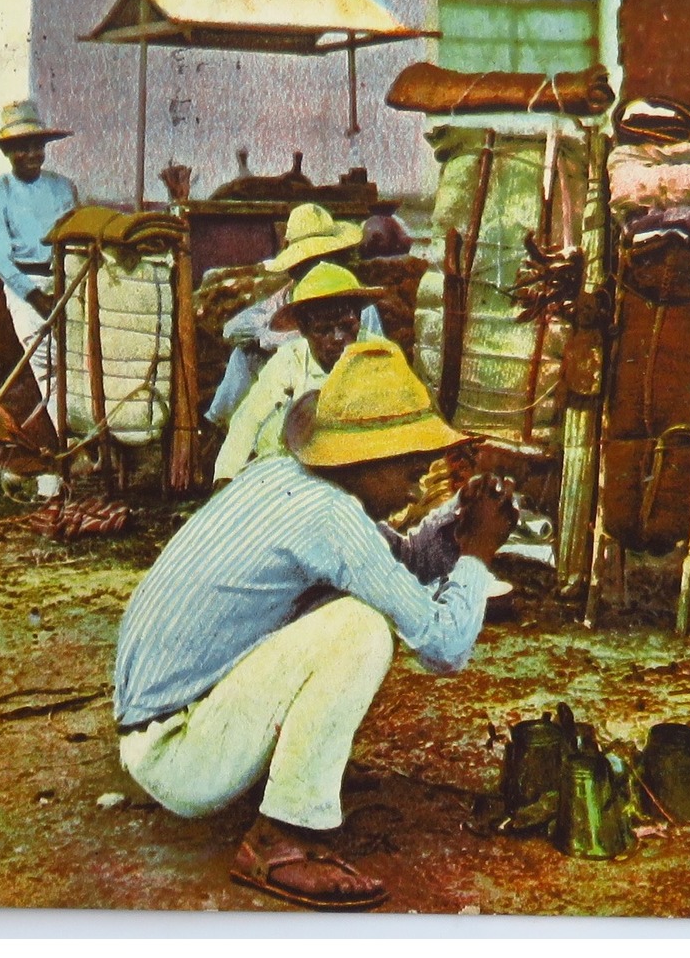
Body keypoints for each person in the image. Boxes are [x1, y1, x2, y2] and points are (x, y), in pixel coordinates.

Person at [114, 339, 518, 910]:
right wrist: (477, 554)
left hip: (158, 729)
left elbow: (396, 565)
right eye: (405, 469)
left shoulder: (285, 477)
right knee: (359, 627)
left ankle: (294, 779)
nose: (412, 486)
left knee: (350, 606)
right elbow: (444, 647)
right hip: (180, 758)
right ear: (360, 462)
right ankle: (281, 840)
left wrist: (457, 523)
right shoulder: (332, 517)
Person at [204, 203, 386, 428]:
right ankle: (219, 424)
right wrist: (269, 338)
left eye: (324, 257)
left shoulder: (357, 304)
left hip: (342, 382)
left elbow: (375, 353)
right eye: (309, 260)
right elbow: (233, 329)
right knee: (245, 355)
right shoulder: (286, 298)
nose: (316, 265)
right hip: (287, 386)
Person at [0, 100, 78, 498]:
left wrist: (66, 287)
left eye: (37, 146)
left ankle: (85, 449)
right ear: (6, 153)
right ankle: (66, 452)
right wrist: (35, 296)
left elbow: (75, 236)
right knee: (49, 368)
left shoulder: (62, 187)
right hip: (26, 287)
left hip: (68, 283)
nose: (31, 155)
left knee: (81, 364)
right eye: (21, 148)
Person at [210, 262, 384, 486]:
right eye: (323, 330)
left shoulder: (381, 355)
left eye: (347, 325)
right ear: (303, 329)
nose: (338, 337)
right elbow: (248, 420)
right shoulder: (290, 359)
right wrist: (224, 477)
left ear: (359, 318)